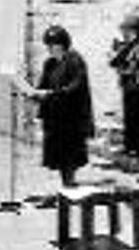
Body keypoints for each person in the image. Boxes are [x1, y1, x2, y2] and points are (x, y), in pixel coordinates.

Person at [31, 25, 94, 187]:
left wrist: (53, 93)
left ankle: (70, 183)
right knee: (58, 155)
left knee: (70, 154)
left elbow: (76, 86)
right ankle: (66, 184)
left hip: (71, 118)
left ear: (63, 44)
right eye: (48, 46)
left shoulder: (75, 60)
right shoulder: (50, 63)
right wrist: (34, 93)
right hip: (54, 116)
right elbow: (43, 84)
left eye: (53, 45)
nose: (50, 49)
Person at [109, 13, 139, 157]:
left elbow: (138, 65)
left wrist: (126, 68)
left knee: (137, 118)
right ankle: (130, 146)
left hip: (138, 87)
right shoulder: (127, 45)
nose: (123, 32)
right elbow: (114, 62)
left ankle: (138, 148)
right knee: (130, 117)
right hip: (129, 86)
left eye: (125, 29)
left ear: (133, 30)